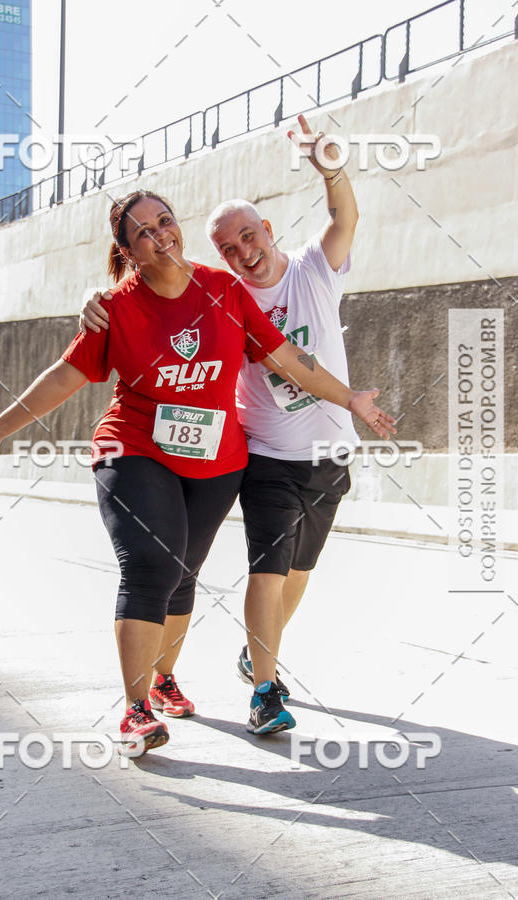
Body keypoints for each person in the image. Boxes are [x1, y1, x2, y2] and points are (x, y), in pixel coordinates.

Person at [74, 148, 394, 741]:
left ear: (268, 230)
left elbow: (344, 220)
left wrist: (331, 170)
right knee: (241, 571)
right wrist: (103, 295)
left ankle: (231, 661)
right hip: (263, 454)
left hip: (324, 455)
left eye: (249, 237)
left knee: (284, 572)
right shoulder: (218, 292)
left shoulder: (308, 271)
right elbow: (144, 300)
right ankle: (255, 694)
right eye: (228, 247)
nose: (244, 252)